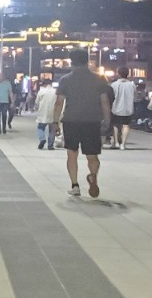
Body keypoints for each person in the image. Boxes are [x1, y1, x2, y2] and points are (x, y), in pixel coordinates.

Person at [54, 48, 112, 198]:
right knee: (92, 155)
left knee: (72, 153)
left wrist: (55, 122)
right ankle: (93, 176)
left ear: (72, 62)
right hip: (92, 121)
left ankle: (75, 186)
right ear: (87, 61)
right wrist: (107, 120)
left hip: (71, 120)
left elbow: (59, 102)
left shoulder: (65, 80)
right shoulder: (99, 79)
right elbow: (104, 101)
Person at [109, 66, 136, 150]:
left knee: (115, 125)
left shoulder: (114, 85)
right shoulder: (132, 85)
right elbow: (135, 96)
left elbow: (110, 96)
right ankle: (123, 144)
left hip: (115, 108)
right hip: (128, 108)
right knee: (126, 125)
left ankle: (116, 143)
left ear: (118, 74)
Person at [34, 79, 59, 150]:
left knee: (40, 128)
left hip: (43, 112)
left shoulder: (41, 91)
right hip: (53, 112)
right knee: (52, 130)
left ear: (44, 84)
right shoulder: (55, 91)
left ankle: (42, 138)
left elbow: (37, 102)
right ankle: (50, 145)